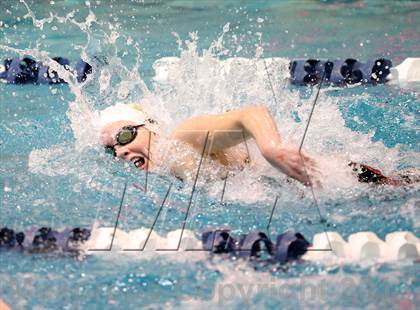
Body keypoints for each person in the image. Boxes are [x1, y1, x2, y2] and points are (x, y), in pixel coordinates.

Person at [99, 103, 417, 186]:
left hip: (346, 179)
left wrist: (271, 148)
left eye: (124, 136)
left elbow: (250, 115)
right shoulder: (170, 170)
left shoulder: (182, 138)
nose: (120, 150)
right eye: (111, 149)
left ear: (150, 127)